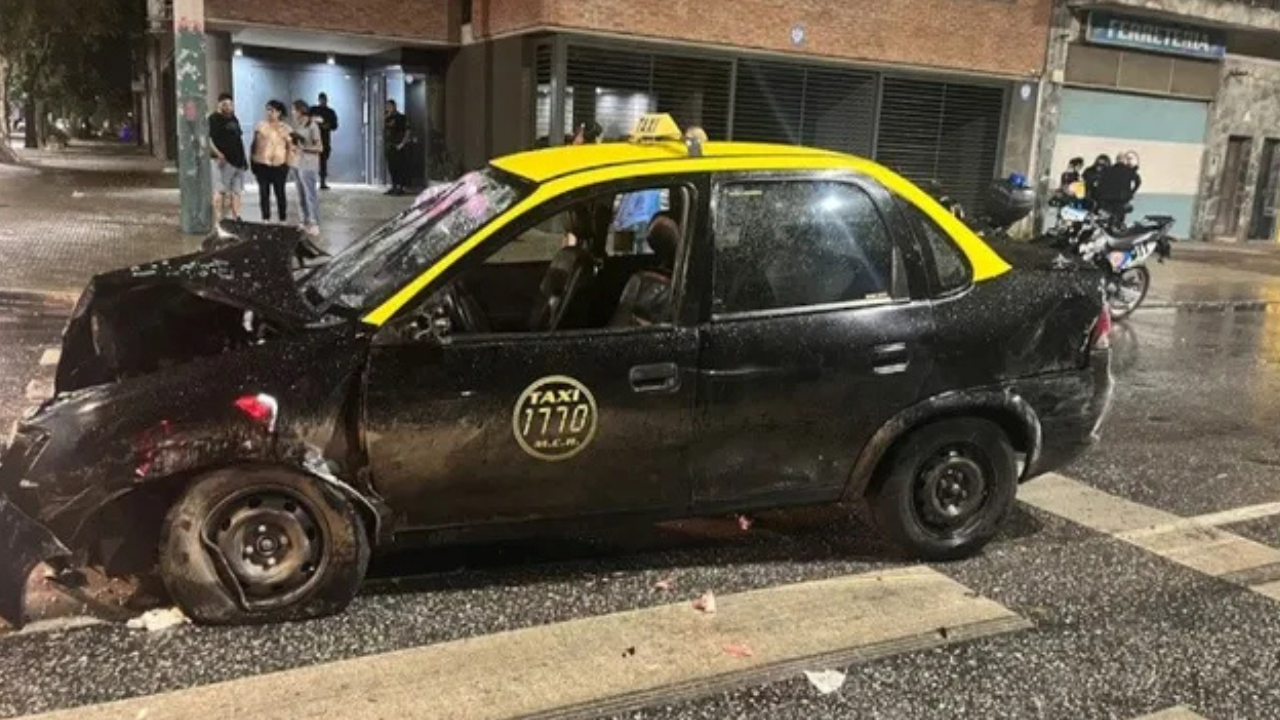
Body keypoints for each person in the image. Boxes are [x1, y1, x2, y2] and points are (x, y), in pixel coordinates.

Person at [208, 93, 248, 226]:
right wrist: (218, 154)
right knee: (220, 190)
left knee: (237, 191)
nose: (228, 107)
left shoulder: (233, 118)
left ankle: (237, 216)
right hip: (223, 161)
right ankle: (218, 220)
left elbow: (238, 139)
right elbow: (209, 140)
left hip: (238, 161)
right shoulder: (213, 119)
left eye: (230, 104)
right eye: (225, 104)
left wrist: (244, 160)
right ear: (219, 104)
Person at [251, 100, 292, 223]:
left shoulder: (286, 128)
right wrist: (253, 161)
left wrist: (288, 163)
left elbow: (290, 147)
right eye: (268, 110)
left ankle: (282, 218)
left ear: (279, 112)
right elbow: (254, 145)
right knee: (264, 193)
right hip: (262, 164)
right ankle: (265, 218)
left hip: (280, 165)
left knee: (280, 193)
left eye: (272, 110)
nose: (269, 113)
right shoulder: (260, 126)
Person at [290, 100, 323, 237]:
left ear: (300, 111)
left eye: (293, 110)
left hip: (309, 164)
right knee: (300, 195)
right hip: (297, 163)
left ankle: (314, 223)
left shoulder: (312, 126)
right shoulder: (297, 125)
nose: (292, 113)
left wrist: (304, 148)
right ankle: (303, 221)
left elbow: (320, 148)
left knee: (310, 195)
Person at [1095, 151, 1142, 226]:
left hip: (1107, 199)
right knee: (1119, 219)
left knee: (1108, 219)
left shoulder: (1108, 170)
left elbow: (1100, 184)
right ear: (1124, 161)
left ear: (1116, 160)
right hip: (1121, 199)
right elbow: (1138, 182)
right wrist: (1131, 193)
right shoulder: (1128, 170)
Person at [311, 92, 339, 190]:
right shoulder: (313, 110)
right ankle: (311, 181)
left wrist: (327, 126)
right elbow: (307, 120)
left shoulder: (330, 112)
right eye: (321, 100)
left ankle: (322, 182)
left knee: (323, 161)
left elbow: (335, 126)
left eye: (324, 100)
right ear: (319, 100)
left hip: (324, 140)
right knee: (311, 161)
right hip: (313, 140)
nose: (323, 101)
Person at [384, 100, 411, 196]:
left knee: (399, 167)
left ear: (394, 106)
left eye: (389, 106)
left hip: (398, 146)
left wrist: (402, 144)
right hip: (389, 146)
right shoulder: (387, 118)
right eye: (387, 107)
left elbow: (408, 131)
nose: (388, 108)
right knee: (392, 167)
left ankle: (400, 187)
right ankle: (394, 186)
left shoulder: (401, 117)